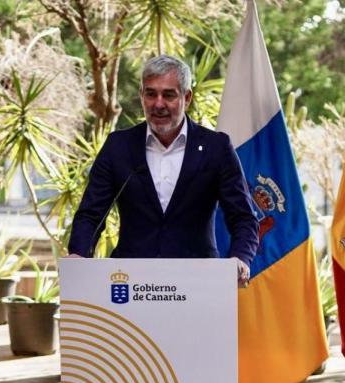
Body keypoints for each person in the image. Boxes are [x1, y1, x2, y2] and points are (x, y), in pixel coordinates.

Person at [68, 55, 258, 285]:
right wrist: (78, 254)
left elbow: (243, 218)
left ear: (186, 97)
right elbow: (91, 214)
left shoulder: (216, 148)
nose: (158, 104)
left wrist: (241, 258)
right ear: (141, 96)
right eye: (151, 94)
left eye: (168, 95)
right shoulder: (118, 147)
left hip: (198, 284)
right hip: (131, 285)